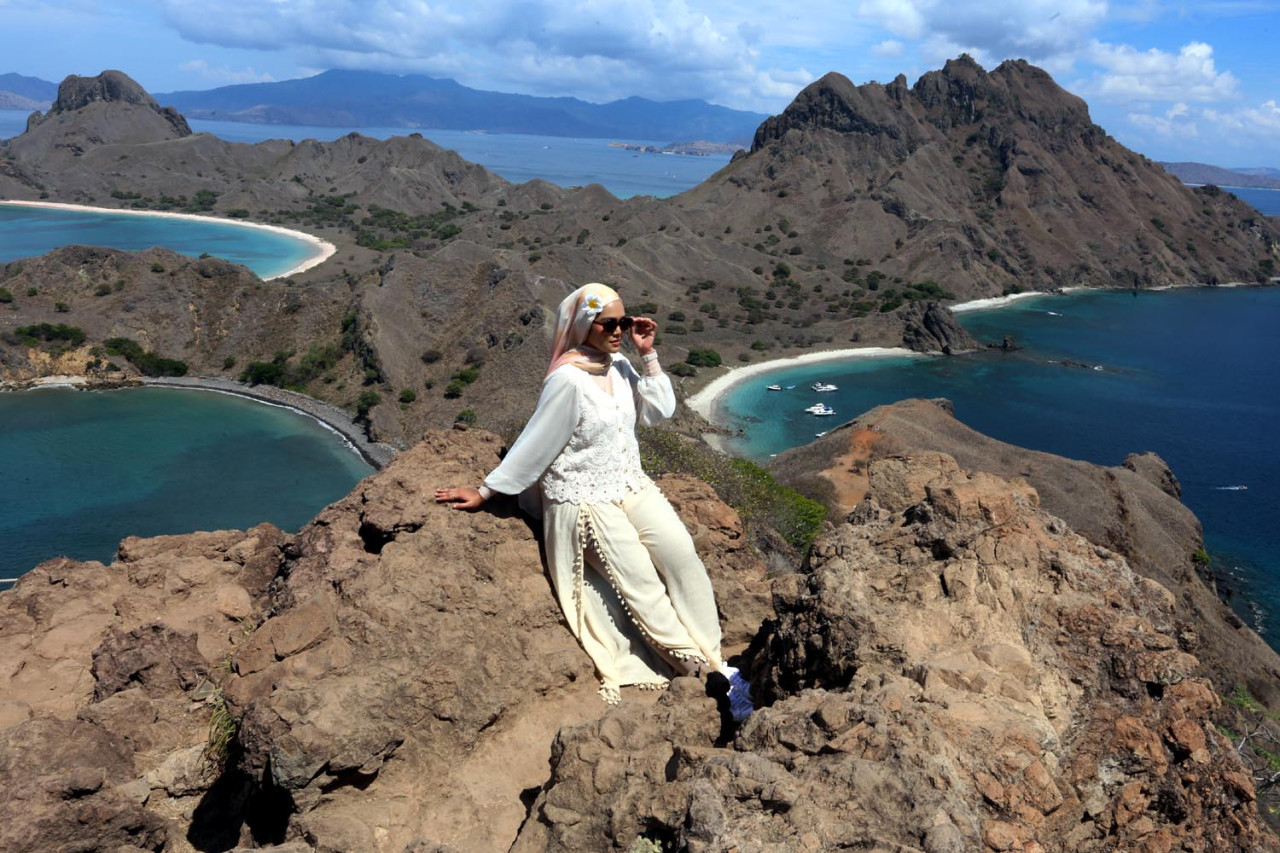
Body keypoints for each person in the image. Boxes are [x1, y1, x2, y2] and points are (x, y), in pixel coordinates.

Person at [435, 282, 753, 720]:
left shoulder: (619, 366)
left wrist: (649, 354)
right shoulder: (567, 381)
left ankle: (716, 655)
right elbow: (535, 443)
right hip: (583, 497)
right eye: (610, 323)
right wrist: (487, 490)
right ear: (585, 325)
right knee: (639, 579)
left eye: (624, 322)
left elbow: (658, 411)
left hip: (629, 484)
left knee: (682, 555)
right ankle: (697, 669)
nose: (619, 330)